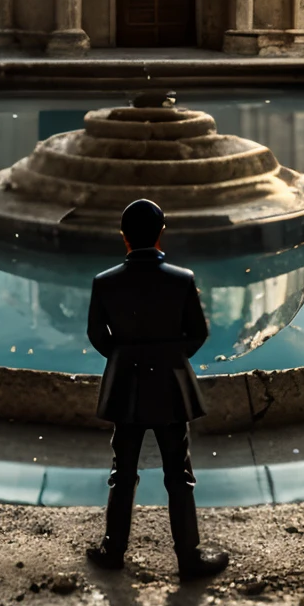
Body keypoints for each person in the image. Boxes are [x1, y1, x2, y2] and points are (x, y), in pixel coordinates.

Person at [84, 197, 229, 580]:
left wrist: (124, 357)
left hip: (126, 387)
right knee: (178, 474)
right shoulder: (182, 280)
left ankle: (113, 550)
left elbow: (97, 335)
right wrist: (170, 357)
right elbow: (197, 333)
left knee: (123, 471)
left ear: (123, 237)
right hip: (170, 387)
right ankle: (189, 557)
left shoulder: (104, 282)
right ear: (161, 234)